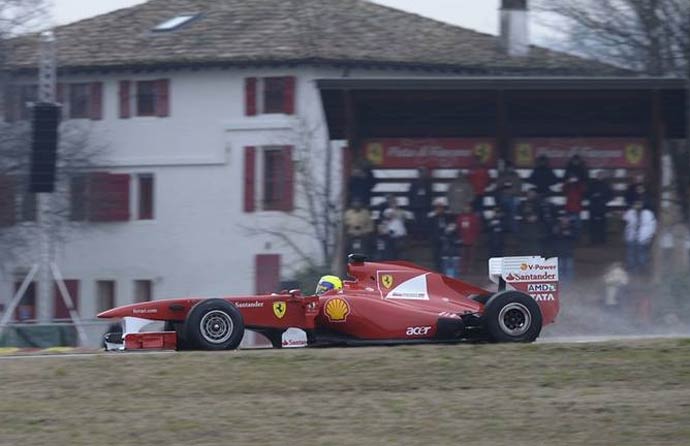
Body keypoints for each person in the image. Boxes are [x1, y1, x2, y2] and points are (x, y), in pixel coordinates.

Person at [623, 201, 657, 274]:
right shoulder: (631, 212)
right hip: (633, 236)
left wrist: (650, 235)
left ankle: (641, 269)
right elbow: (625, 219)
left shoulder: (647, 213)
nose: (637, 206)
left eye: (639, 204)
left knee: (640, 253)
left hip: (642, 237)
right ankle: (634, 269)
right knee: (632, 253)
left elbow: (653, 226)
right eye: (636, 204)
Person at [494, 160, 522, 233]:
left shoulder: (516, 175)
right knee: (504, 215)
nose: (511, 169)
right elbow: (498, 186)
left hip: (513, 198)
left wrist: (516, 195)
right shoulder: (502, 175)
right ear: (507, 168)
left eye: (512, 167)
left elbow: (519, 187)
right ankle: (503, 231)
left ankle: (514, 232)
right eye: (510, 167)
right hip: (504, 198)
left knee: (513, 215)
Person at [587, 170, 613, 244]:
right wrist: (593, 196)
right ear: (596, 176)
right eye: (598, 175)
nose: (599, 177)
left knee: (602, 224)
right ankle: (593, 240)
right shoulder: (592, 184)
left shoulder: (606, 185)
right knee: (593, 224)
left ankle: (602, 240)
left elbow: (611, 196)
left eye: (601, 175)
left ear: (603, 176)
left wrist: (604, 200)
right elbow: (587, 194)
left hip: (602, 207)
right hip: (593, 207)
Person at [428, 199, 454, 271]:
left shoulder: (448, 217)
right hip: (436, 239)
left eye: (441, 208)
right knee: (436, 255)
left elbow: (452, 226)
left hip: (446, 237)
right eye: (438, 208)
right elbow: (431, 229)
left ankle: (446, 268)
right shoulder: (432, 218)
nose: (440, 210)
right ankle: (438, 269)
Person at [407, 167, 434, 236]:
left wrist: (429, 205)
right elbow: (410, 195)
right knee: (417, 222)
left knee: (424, 222)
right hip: (416, 206)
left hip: (425, 206)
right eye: (421, 172)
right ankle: (417, 236)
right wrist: (411, 205)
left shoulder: (428, 184)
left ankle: (424, 235)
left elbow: (430, 195)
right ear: (418, 174)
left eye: (424, 172)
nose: (422, 174)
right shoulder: (414, 184)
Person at [456, 203, 481, 274]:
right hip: (463, 240)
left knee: (472, 256)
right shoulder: (460, 218)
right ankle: (463, 270)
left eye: (468, 207)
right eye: (465, 207)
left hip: (472, 240)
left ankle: (471, 269)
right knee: (463, 255)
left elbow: (477, 228)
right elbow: (458, 228)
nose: (467, 209)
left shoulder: (474, 217)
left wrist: (476, 238)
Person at [553, 213, 577, 281]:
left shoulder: (572, 227)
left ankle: (569, 286)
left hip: (569, 252)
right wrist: (563, 234)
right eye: (563, 218)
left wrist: (569, 234)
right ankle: (561, 285)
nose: (565, 220)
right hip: (559, 252)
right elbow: (554, 236)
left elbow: (576, 236)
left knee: (569, 269)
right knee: (559, 269)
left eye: (567, 218)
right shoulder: (556, 227)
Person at [518, 189, 542, 255]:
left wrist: (536, 218)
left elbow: (541, 216)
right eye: (529, 193)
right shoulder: (522, 204)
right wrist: (526, 218)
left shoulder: (539, 204)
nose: (531, 195)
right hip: (525, 232)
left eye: (532, 193)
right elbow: (519, 215)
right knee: (525, 253)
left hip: (536, 232)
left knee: (536, 253)